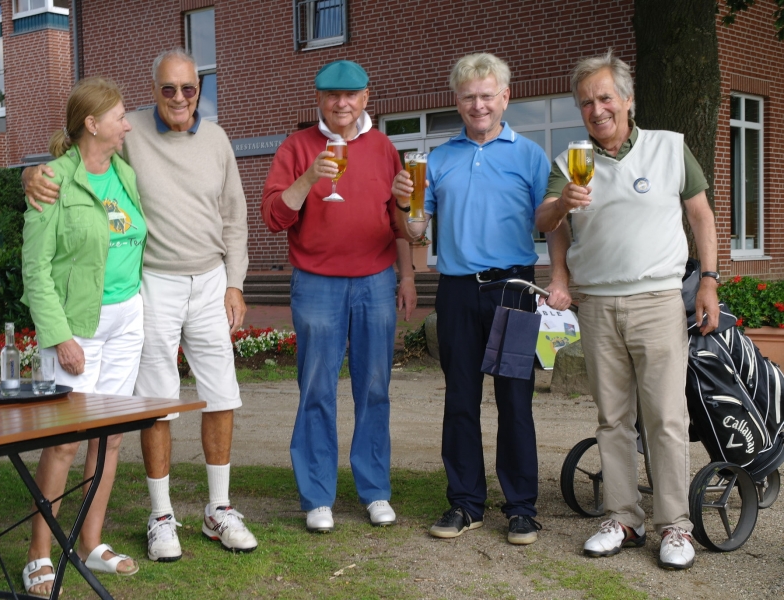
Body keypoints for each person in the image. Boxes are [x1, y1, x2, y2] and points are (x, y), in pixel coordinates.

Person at [22, 48, 257, 558]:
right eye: (168, 89)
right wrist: (31, 175)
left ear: (200, 89)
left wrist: (235, 282)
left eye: (189, 88)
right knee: (135, 411)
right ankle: (157, 517)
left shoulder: (204, 143)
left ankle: (213, 511)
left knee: (202, 402)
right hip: (144, 290)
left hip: (190, 288)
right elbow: (74, 163)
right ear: (154, 91)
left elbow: (235, 218)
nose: (179, 97)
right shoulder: (124, 142)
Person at [535, 50, 720, 570]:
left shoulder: (669, 147)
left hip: (658, 299)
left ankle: (675, 525)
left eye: (605, 98)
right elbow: (547, 223)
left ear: (628, 99)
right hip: (596, 304)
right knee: (613, 418)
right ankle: (623, 517)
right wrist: (562, 206)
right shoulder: (570, 159)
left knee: (665, 417)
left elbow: (701, 217)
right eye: (586, 102)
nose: (596, 110)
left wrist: (708, 281)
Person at [392, 53, 551, 545]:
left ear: (505, 97)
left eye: (487, 95)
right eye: (468, 97)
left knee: (514, 399)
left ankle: (521, 508)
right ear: (456, 102)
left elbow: (554, 224)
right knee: (460, 398)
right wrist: (404, 201)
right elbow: (415, 230)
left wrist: (562, 278)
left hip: (514, 289)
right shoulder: (436, 160)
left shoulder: (531, 156)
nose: (478, 105)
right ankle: (465, 503)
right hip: (458, 289)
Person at [261, 60, 417, 533]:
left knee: (375, 388)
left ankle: (375, 489)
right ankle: (316, 496)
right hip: (317, 282)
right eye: (332, 95)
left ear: (366, 98)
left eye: (351, 95)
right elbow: (273, 217)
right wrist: (309, 177)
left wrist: (407, 276)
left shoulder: (384, 147)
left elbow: (399, 222)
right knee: (316, 389)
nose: (341, 103)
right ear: (319, 99)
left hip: (376, 280)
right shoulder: (296, 146)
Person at [20, 76, 144, 597]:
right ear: (92, 124)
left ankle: (90, 541)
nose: (127, 125)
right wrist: (59, 336)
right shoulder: (53, 180)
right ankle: (38, 554)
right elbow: (35, 268)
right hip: (77, 328)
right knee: (65, 443)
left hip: (126, 320)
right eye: (119, 117)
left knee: (110, 436)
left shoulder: (124, 173)